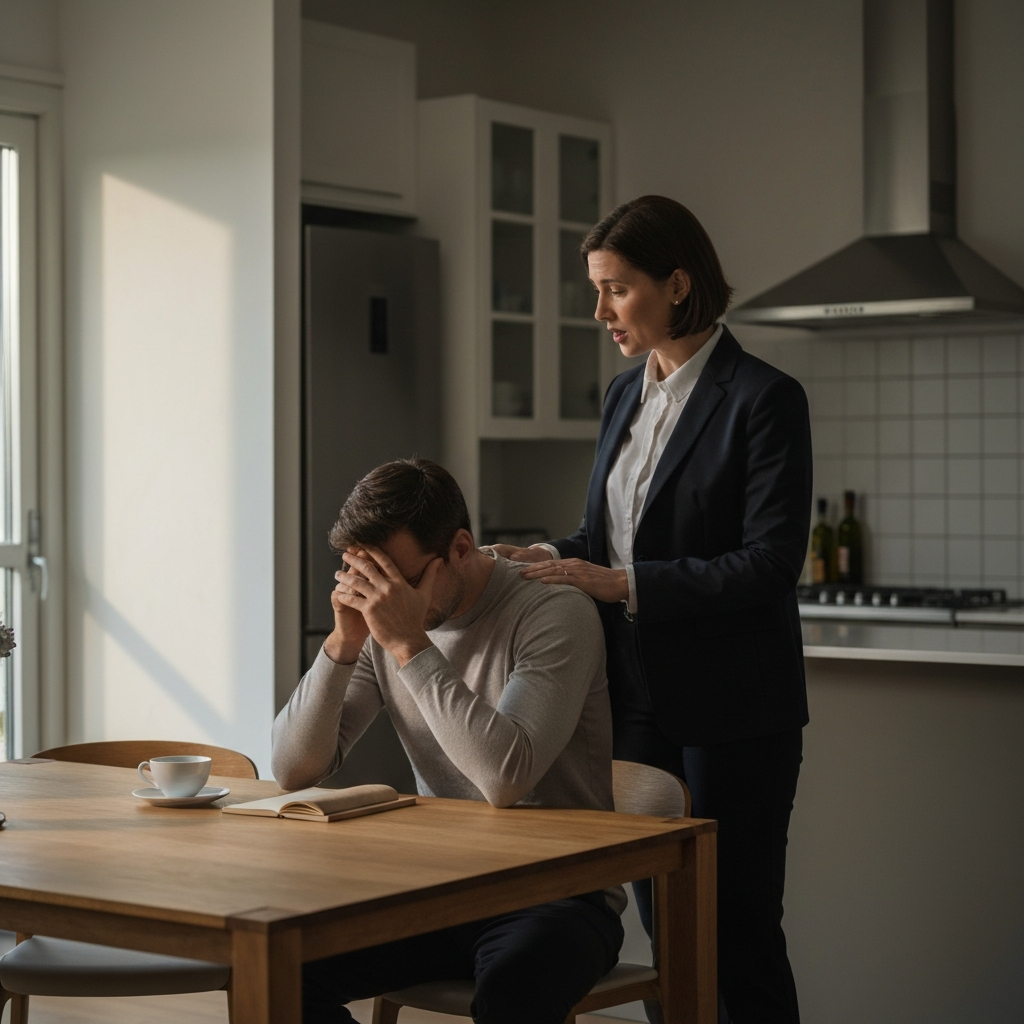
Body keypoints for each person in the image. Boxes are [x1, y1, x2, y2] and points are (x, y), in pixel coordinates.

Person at [490, 195, 812, 1024]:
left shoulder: (764, 399)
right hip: (631, 704)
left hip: (733, 709)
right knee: (669, 931)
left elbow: (770, 563)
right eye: (595, 290)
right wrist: (554, 555)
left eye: (616, 289)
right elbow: (610, 534)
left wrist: (623, 585)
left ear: (677, 284)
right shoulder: (622, 394)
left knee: (736, 929)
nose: (599, 312)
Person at [272, 457, 624, 1024]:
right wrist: (342, 642)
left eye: (401, 581)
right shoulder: (378, 621)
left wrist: (410, 646)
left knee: (516, 989)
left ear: (461, 548)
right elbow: (292, 768)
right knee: (278, 970)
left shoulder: (554, 612)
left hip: (557, 892)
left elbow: (504, 777)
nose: (384, 600)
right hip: (438, 888)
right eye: (367, 580)